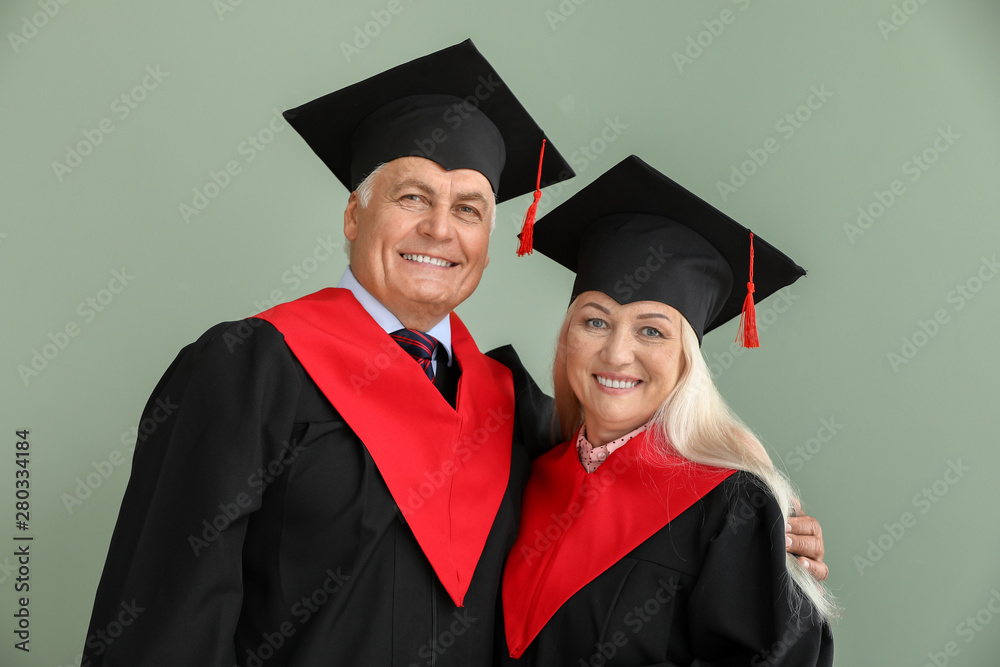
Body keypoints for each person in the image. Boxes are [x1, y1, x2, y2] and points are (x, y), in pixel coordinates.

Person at [80, 39, 574, 666]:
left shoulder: (513, 406)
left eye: (468, 209)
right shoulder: (249, 369)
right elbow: (167, 619)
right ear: (352, 215)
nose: (441, 229)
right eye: (413, 197)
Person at [499, 155, 836, 666]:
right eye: (595, 321)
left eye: (651, 330)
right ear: (567, 337)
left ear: (688, 360)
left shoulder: (732, 511)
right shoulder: (524, 472)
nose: (615, 353)